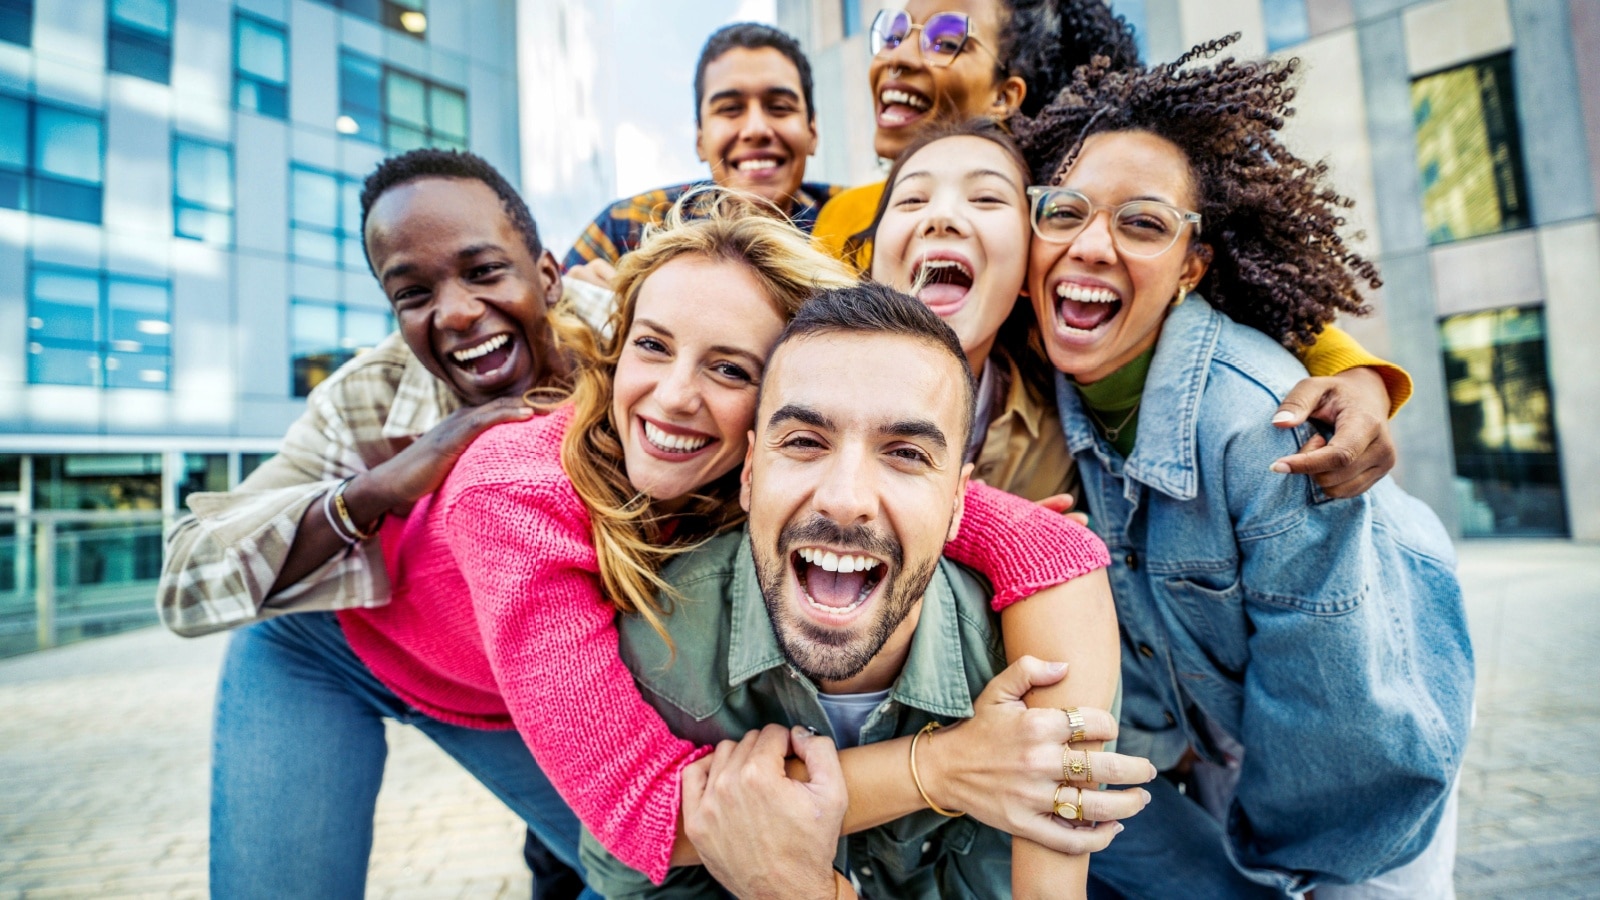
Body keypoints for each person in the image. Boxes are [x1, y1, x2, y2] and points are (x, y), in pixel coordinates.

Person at [210, 195, 1151, 896]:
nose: (669, 399)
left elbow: (1038, 547)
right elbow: (647, 810)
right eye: (652, 347)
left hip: (516, 699)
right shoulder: (514, 491)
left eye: (730, 368)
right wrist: (943, 767)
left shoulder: (796, 464)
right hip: (341, 652)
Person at [1010, 37, 1474, 897]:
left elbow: (1342, 712)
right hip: (1235, 725)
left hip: (1373, 747)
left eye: (1141, 222)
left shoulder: (1262, 427)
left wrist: (1285, 865)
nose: (1091, 245)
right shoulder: (1065, 383)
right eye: (1065, 211)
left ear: (1193, 268)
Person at [580, 281, 1142, 899]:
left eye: (904, 453)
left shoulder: (1038, 663)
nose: (845, 500)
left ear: (958, 502)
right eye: (803, 442)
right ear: (748, 474)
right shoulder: (656, 647)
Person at [563, 22, 842, 286]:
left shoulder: (863, 223)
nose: (756, 129)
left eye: (779, 106)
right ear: (700, 139)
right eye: (730, 108)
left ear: (812, 131)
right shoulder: (627, 229)